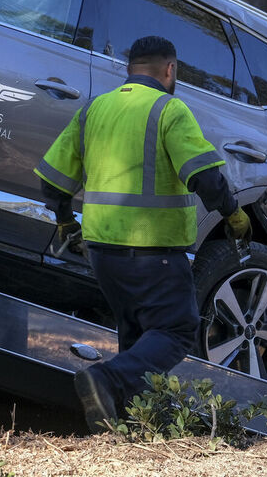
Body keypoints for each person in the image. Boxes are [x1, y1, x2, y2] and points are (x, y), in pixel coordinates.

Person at [35, 35, 251, 433]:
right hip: (153, 251)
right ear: (170, 70)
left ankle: (129, 423)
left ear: (128, 68)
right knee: (176, 330)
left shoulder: (94, 110)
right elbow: (204, 176)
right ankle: (106, 380)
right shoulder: (169, 110)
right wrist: (233, 212)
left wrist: (66, 222)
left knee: (137, 337)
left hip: (101, 252)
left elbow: (52, 183)